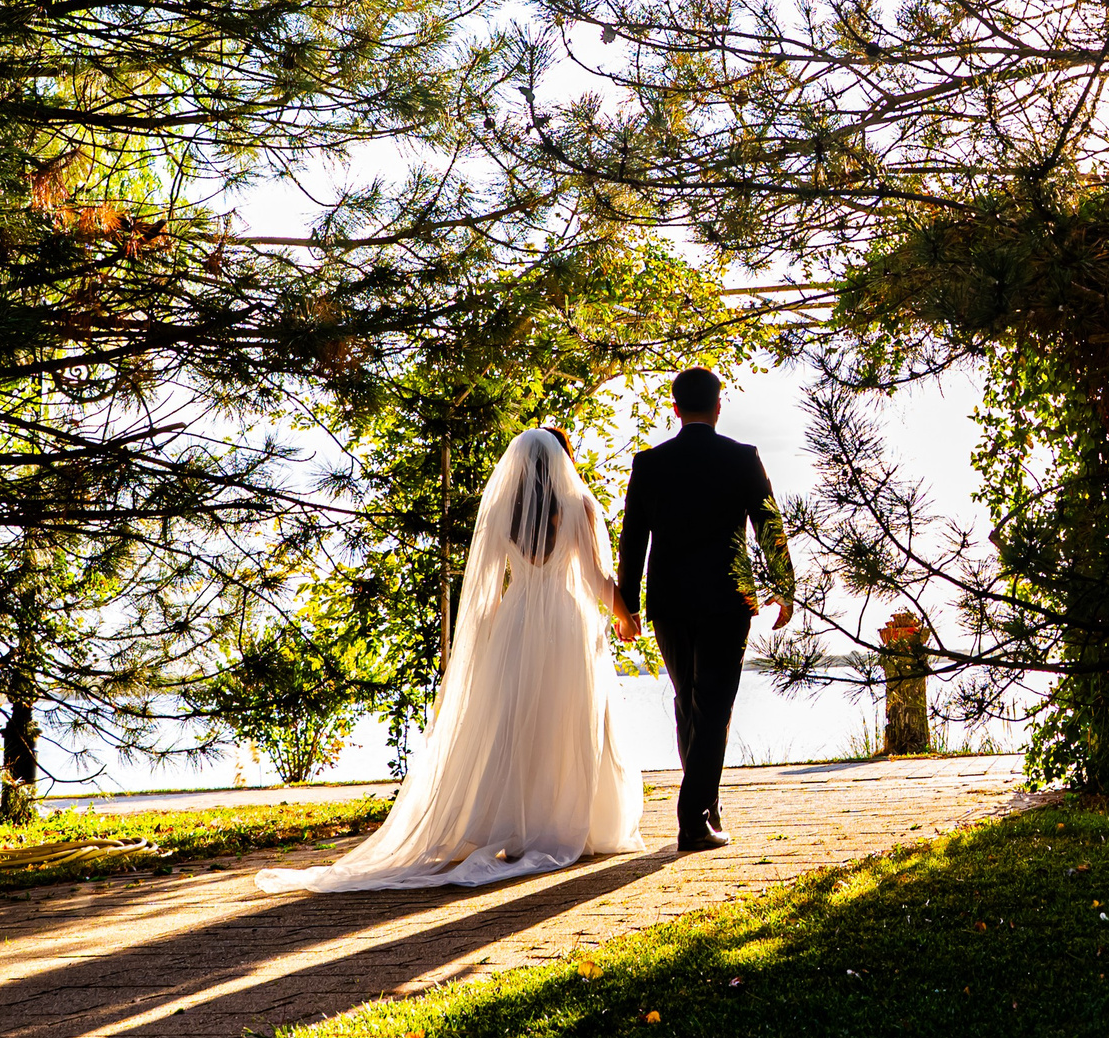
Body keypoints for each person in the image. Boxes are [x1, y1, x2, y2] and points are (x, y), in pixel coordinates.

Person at [256, 427, 644, 893]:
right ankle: (569, 825)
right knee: (567, 719)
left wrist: (480, 646)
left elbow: (484, 586)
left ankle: (519, 828)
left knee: (518, 725)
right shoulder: (578, 506)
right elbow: (597, 576)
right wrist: (625, 614)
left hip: (515, 622)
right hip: (564, 620)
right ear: (563, 461)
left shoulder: (504, 510)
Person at [614, 368, 795, 851]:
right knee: (712, 704)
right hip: (726, 597)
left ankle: (706, 806)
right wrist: (784, 586)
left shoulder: (649, 463)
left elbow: (633, 539)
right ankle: (693, 819)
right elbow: (768, 525)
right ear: (718, 407)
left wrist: (627, 604)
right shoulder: (741, 458)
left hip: (668, 601)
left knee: (689, 701)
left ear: (675, 409)